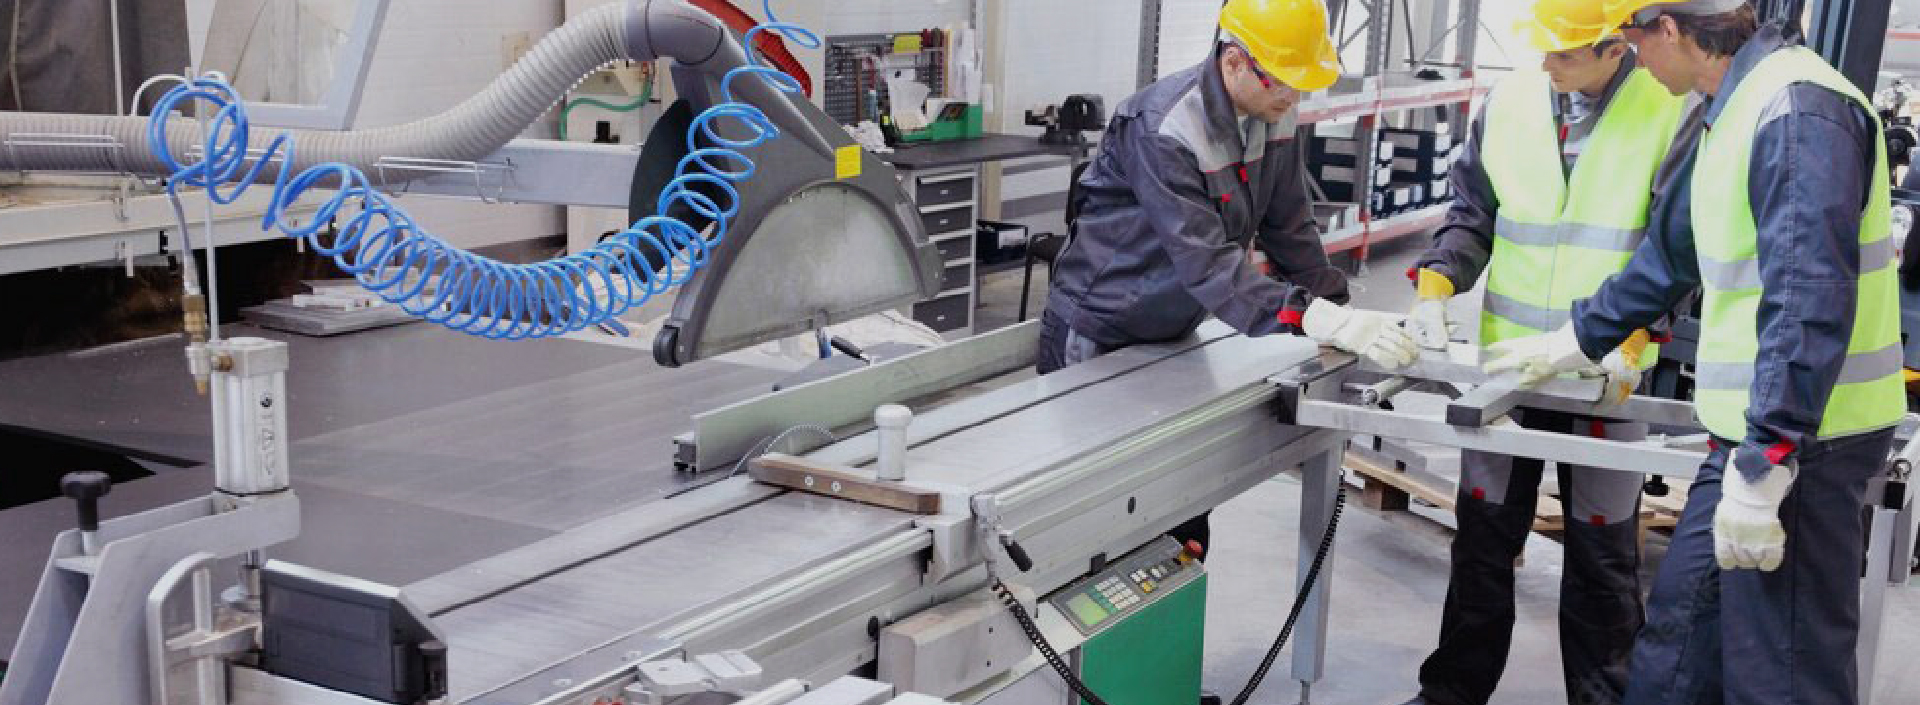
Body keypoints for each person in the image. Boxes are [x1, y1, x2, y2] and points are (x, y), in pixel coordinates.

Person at [1482, 2, 1904, 703]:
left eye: (1633, 39)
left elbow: (1807, 299)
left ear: (1672, 29)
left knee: (1782, 674)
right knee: (1672, 660)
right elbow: (1669, 255)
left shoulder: (1796, 113)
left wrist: (1767, 460)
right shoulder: (1728, 108)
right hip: (1748, 438)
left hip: (1805, 447)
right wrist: (1575, 340)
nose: (1633, 58)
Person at [1037, 0, 1417, 552]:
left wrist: (1341, 315)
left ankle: (1176, 597)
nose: (1293, 97)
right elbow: (1207, 263)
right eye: (1283, 81)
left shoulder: (1272, 112)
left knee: (1183, 504)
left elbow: (1290, 227)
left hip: (1174, 326)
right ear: (1235, 61)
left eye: (1301, 84)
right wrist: (1308, 315)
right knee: (1100, 514)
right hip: (1100, 330)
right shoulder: (1164, 127)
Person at [1395, 2, 1689, 703]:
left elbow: (1677, 243)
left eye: (1565, 53)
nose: (1547, 64)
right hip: (1511, 370)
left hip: (1606, 378)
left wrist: (1638, 336)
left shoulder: (1670, 109)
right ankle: (1451, 694)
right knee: (1481, 543)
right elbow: (1473, 212)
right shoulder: (1510, 101)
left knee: (1603, 560)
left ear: (1615, 46)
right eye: (1544, 49)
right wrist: (1437, 282)